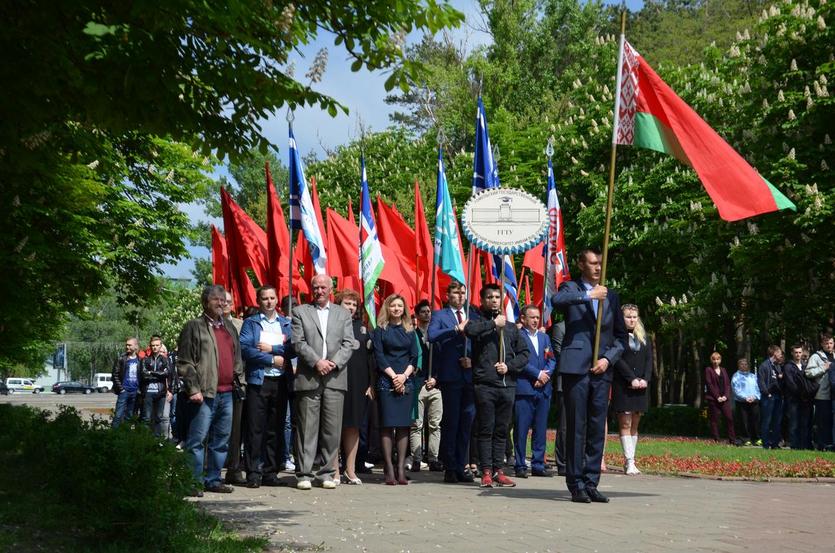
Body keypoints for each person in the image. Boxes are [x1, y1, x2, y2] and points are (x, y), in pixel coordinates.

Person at [553, 248, 627, 504]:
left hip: (601, 368)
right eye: (593, 263)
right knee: (577, 426)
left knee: (597, 427)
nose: (597, 268)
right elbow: (557, 302)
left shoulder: (611, 296)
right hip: (576, 367)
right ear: (581, 264)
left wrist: (608, 359)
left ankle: (591, 481)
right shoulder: (570, 288)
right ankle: (575, 483)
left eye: (600, 264)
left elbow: (621, 336)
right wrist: (588, 295)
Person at [177, 284, 244, 496]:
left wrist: (239, 382)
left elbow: (237, 357)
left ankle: (213, 480)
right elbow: (185, 362)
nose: (222, 303)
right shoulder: (193, 326)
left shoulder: (229, 327)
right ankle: (193, 482)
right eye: (217, 299)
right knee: (197, 440)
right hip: (204, 394)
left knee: (222, 441)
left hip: (226, 393)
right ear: (206, 302)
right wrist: (193, 389)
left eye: (224, 299)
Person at [290, 274, 354, 490]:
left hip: (335, 378)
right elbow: (298, 342)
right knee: (307, 428)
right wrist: (317, 362)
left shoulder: (343, 314)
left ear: (330, 289)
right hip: (309, 376)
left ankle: (326, 473)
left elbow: (348, 344)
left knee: (332, 429)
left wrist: (333, 363)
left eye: (322, 287)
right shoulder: (300, 312)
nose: (318, 291)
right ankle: (304, 474)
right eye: (315, 287)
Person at [465, 283, 529, 488]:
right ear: (483, 300)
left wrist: (509, 366)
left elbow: (524, 354)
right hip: (485, 384)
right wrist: (493, 325)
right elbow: (470, 331)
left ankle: (498, 470)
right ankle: (485, 470)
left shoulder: (511, 328)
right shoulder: (478, 322)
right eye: (490, 297)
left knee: (502, 430)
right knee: (486, 428)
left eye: (497, 297)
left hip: (507, 385)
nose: (494, 300)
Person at [240, 285, 293, 488]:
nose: (269, 301)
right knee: (255, 428)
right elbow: (245, 349)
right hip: (258, 381)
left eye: (272, 297)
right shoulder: (251, 323)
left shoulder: (286, 324)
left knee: (275, 428)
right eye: (265, 298)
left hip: (280, 382)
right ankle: (253, 472)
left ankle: (271, 472)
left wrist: (274, 349)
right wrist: (272, 360)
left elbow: (292, 348)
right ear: (258, 300)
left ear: (277, 299)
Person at [428, 281, 476, 484]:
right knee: (452, 422)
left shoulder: (472, 314)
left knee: (467, 423)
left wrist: (473, 360)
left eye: (463, 293)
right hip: (451, 375)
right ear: (448, 295)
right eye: (456, 293)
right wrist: (456, 329)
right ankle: (449, 466)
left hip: (470, 374)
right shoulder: (440, 315)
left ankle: (461, 464)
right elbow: (432, 336)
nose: (461, 296)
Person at [372, 294, 419, 485]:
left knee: (403, 426)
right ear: (388, 308)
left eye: (400, 305)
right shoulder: (380, 330)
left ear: (404, 309)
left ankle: (400, 467)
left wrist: (404, 377)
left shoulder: (410, 330)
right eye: (393, 305)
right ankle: (389, 468)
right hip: (386, 380)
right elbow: (379, 356)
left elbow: (414, 357)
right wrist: (393, 377)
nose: (397, 309)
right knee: (386, 425)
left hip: (406, 380)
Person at [336, 289, 375, 485]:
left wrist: (370, 384)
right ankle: (334, 471)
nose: (351, 307)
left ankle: (350, 471)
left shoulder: (362, 328)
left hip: (359, 384)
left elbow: (370, 359)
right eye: (347, 303)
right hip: (335, 382)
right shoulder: (331, 324)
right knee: (334, 427)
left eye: (353, 304)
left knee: (353, 427)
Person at [513, 305, 554, 479]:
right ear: (523, 318)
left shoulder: (544, 337)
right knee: (521, 429)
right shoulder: (517, 337)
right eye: (532, 317)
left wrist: (546, 374)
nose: (536, 320)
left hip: (543, 389)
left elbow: (551, 359)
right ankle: (520, 464)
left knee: (540, 429)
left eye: (537, 317)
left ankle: (538, 464)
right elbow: (518, 360)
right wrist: (536, 374)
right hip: (525, 388)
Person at [612, 304, 652, 475]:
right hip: (624, 385)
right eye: (628, 317)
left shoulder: (644, 338)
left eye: (634, 317)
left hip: (641, 386)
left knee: (635, 422)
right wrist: (631, 378)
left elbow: (649, 360)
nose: (632, 320)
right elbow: (618, 360)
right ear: (622, 318)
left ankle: (632, 459)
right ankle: (629, 461)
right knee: (625, 422)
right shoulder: (616, 337)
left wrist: (645, 379)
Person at [410, 299, 444, 472]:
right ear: (416, 315)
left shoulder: (436, 336)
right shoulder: (412, 334)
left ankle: (433, 458)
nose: (426, 314)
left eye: (429, 311)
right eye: (422, 311)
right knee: (416, 424)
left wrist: (436, 379)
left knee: (435, 424)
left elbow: (442, 360)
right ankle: (416, 458)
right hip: (418, 383)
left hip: (435, 385)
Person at [223, 290, 247, 485]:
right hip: (213, 384)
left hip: (236, 383)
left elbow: (245, 353)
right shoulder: (203, 325)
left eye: (228, 301)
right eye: (221, 300)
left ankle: (234, 468)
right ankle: (208, 468)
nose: (224, 304)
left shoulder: (241, 325)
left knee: (236, 429)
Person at [805, 334, 833, 451]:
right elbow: (808, 372)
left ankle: (831, 444)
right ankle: (822, 445)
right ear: (822, 344)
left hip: (833, 395)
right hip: (822, 395)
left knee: (831, 422)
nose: (829, 345)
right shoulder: (816, 357)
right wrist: (823, 368)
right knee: (822, 422)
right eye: (826, 343)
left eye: (831, 343)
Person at [782, 344, 813, 449]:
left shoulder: (806, 366)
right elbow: (791, 384)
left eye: (800, 352)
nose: (798, 354)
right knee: (794, 424)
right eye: (796, 352)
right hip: (793, 400)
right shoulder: (788, 366)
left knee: (805, 423)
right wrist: (802, 393)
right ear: (792, 353)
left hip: (805, 400)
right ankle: (794, 446)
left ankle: (804, 445)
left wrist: (807, 393)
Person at [141, 335, 172, 438]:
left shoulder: (165, 360)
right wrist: (158, 374)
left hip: (161, 392)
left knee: (159, 418)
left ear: (160, 346)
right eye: (153, 345)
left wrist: (151, 372)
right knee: (146, 418)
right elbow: (144, 375)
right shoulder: (145, 360)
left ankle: (157, 440)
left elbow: (167, 373)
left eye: (157, 345)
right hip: (148, 392)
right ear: (150, 346)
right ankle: (146, 439)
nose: (155, 347)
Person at [704, 352, 736, 445]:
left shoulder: (724, 370)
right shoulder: (708, 370)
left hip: (724, 399)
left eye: (717, 359)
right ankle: (716, 439)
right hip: (713, 399)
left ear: (720, 360)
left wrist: (726, 396)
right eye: (714, 359)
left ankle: (732, 440)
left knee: (729, 418)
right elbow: (709, 385)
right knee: (714, 420)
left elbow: (727, 384)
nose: (716, 361)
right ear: (711, 360)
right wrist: (717, 397)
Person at [549, 320, 567, 476]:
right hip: (566, 382)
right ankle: (562, 462)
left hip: (585, 381)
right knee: (565, 425)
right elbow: (559, 353)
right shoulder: (560, 328)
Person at [757, 345, 784, 449]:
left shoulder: (777, 366)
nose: (781, 355)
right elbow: (761, 381)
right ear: (774, 353)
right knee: (767, 421)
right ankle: (766, 443)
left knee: (777, 421)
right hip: (768, 397)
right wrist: (766, 393)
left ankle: (775, 443)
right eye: (780, 353)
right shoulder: (764, 365)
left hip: (778, 397)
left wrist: (780, 377)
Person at [112, 337, 142, 428]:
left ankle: (127, 435)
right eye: (126, 345)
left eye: (129, 345)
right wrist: (121, 389)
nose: (127, 346)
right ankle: (113, 435)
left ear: (136, 346)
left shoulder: (140, 360)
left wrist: (139, 390)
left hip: (135, 392)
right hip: (124, 391)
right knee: (118, 415)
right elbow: (115, 374)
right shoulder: (122, 358)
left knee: (130, 416)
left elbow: (142, 376)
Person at [731, 359, 761, 446]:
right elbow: (736, 390)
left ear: (748, 365)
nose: (744, 366)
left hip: (754, 401)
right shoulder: (736, 376)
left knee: (755, 420)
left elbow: (758, 388)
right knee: (744, 421)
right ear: (738, 366)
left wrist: (755, 397)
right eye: (742, 364)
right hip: (742, 402)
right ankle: (745, 438)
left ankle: (756, 438)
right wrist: (745, 398)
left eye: (746, 364)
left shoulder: (753, 376)